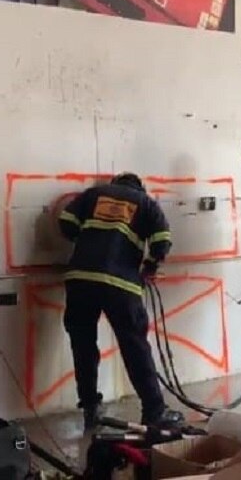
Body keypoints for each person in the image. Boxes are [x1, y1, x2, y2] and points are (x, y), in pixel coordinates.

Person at [58, 172, 183, 431]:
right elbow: (163, 240)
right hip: (120, 283)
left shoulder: (93, 195)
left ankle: (91, 408)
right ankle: (154, 411)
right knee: (134, 346)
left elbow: (66, 222)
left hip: (81, 279)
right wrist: (150, 264)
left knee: (83, 346)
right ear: (140, 187)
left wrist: (86, 241)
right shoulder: (146, 202)